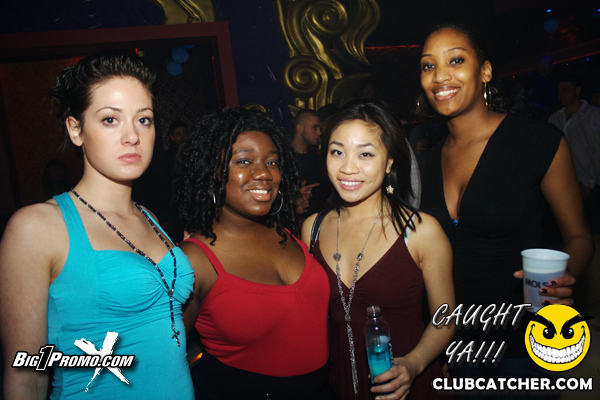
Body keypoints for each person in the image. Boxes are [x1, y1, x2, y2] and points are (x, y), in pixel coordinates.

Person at [0, 51, 195, 399]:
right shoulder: (37, 227)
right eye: (110, 119)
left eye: (144, 119)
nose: (132, 136)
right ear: (76, 130)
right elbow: (26, 377)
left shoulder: (149, 217)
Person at [418, 23, 594, 393]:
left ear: (485, 71)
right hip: (455, 348)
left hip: (526, 346)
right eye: (428, 65)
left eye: (456, 60)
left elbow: (579, 236)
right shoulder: (424, 164)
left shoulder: (537, 142)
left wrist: (564, 278)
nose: (440, 75)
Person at [172, 107, 333, 400]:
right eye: (244, 161)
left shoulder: (287, 232)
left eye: (272, 162)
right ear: (213, 172)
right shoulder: (193, 260)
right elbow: (165, 359)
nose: (264, 173)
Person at [302, 99, 456, 400]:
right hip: (336, 385)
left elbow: (446, 318)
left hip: (405, 384)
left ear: (389, 162)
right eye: (337, 152)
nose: (348, 167)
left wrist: (414, 364)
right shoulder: (312, 228)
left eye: (365, 154)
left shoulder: (421, 231)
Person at [548, 75, 600, 234]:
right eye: (558, 90)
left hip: (592, 183)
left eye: (565, 90)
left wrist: (588, 181)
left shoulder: (593, 115)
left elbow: (597, 150)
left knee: (594, 228)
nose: (560, 94)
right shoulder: (555, 118)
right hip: (567, 183)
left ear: (577, 91)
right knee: (573, 231)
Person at [291, 108, 331, 219]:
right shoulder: (283, 158)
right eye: (314, 128)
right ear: (300, 128)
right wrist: (294, 195)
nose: (319, 133)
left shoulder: (318, 159)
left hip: (319, 221)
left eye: (320, 128)